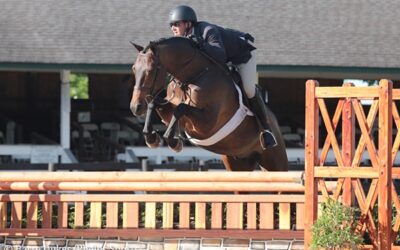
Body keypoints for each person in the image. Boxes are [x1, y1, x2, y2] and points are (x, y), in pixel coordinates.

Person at [168, 5, 277, 149]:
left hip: (242, 54)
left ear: (188, 24)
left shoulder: (207, 30)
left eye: (177, 24)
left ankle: (266, 130)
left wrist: (198, 44)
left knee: (249, 89)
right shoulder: (184, 40)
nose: (173, 28)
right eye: (171, 25)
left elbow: (219, 54)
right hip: (225, 60)